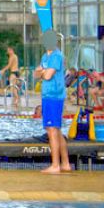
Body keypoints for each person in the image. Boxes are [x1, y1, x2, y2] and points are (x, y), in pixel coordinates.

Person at [34, 30, 71, 174]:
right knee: (56, 129)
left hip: (54, 96)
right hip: (48, 96)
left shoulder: (56, 56)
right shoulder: (46, 56)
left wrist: (42, 72)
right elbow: (36, 74)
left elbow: (47, 76)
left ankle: (55, 165)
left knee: (52, 130)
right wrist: (42, 72)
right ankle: (65, 163)